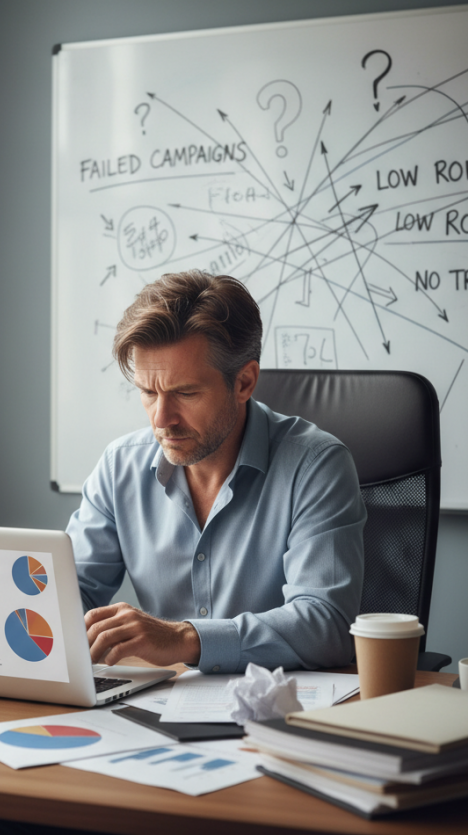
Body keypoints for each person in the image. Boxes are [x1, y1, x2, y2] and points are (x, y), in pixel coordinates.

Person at [69, 269, 366, 674]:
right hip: (151, 707)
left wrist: (183, 639)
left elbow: (325, 624)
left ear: (244, 382)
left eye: (185, 393)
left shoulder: (316, 466)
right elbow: (67, 597)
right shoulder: (119, 466)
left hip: (275, 713)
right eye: (147, 392)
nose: (162, 419)